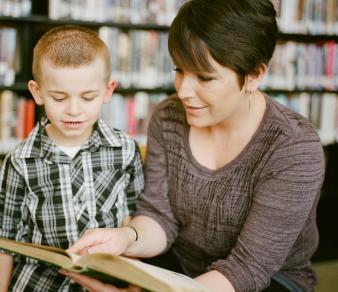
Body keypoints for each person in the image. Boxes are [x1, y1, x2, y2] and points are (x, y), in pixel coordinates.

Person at [63, 1, 325, 292]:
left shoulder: (293, 147)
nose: (183, 90)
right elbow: (159, 217)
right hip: (180, 267)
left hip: (269, 281)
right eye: (179, 70)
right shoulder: (168, 117)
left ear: (254, 75)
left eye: (204, 77)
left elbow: (249, 268)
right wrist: (126, 237)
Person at [0, 26, 144, 291]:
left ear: (107, 91)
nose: (73, 110)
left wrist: (134, 288)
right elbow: (3, 239)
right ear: (37, 92)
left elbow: (136, 221)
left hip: (106, 283)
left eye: (88, 97)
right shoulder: (21, 160)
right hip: (39, 284)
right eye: (59, 98)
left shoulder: (125, 149)